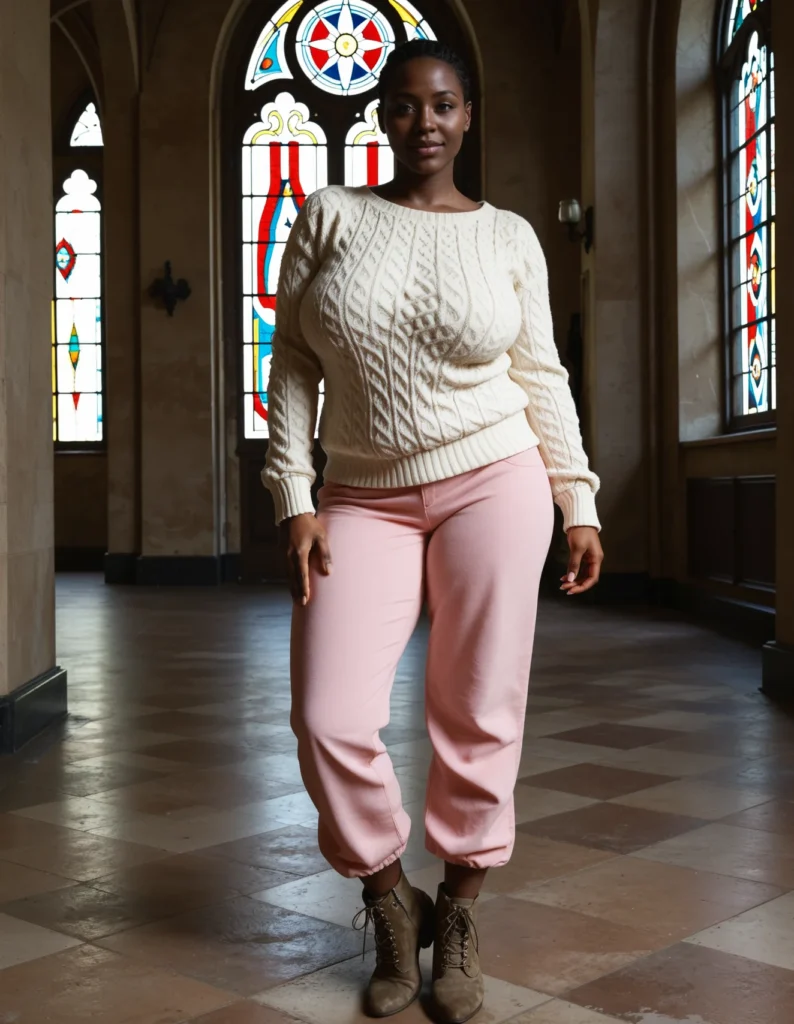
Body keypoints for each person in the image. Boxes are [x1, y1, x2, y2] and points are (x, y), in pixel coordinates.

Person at [262, 39, 603, 1024]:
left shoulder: (507, 237)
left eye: (443, 105)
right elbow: (290, 364)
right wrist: (295, 497)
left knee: (477, 705)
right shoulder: (328, 217)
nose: (424, 123)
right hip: (362, 495)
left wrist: (574, 498)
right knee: (327, 714)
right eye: (405, 106)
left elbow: (539, 374)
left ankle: (457, 909)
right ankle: (386, 895)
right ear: (381, 116)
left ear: (467, 117)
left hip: (494, 482)